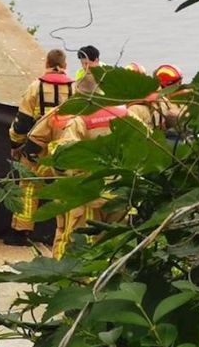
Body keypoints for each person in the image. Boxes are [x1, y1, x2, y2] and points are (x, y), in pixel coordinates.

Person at [20, 74, 132, 258]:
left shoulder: (71, 116)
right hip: (121, 191)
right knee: (116, 244)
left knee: (73, 241)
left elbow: (62, 156)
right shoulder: (124, 113)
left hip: (86, 193)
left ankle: (67, 282)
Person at [6, 49, 74, 245]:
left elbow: (22, 122)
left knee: (28, 188)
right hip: (64, 148)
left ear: (46, 64)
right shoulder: (74, 90)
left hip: (37, 146)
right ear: (65, 66)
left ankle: (21, 232)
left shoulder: (36, 87)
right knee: (64, 190)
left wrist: (16, 144)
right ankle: (63, 232)